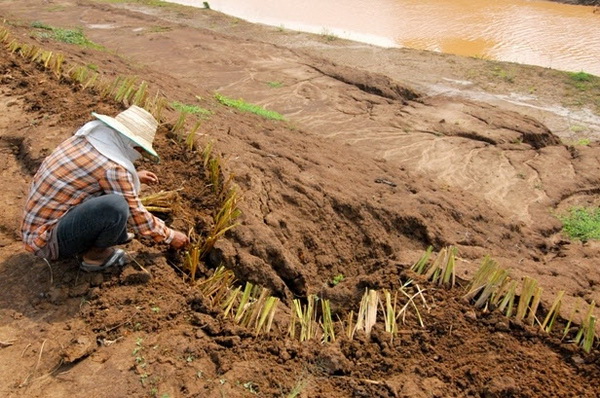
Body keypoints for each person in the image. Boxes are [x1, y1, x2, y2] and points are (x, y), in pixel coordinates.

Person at [20, 105, 189, 272]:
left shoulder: (88, 139)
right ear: (130, 143)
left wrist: (133, 176)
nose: (139, 155)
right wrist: (170, 236)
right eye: (139, 150)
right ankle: (95, 257)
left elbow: (89, 177)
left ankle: (106, 235)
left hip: (37, 228)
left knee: (113, 201)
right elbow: (135, 214)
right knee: (116, 206)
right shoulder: (113, 169)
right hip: (46, 242)